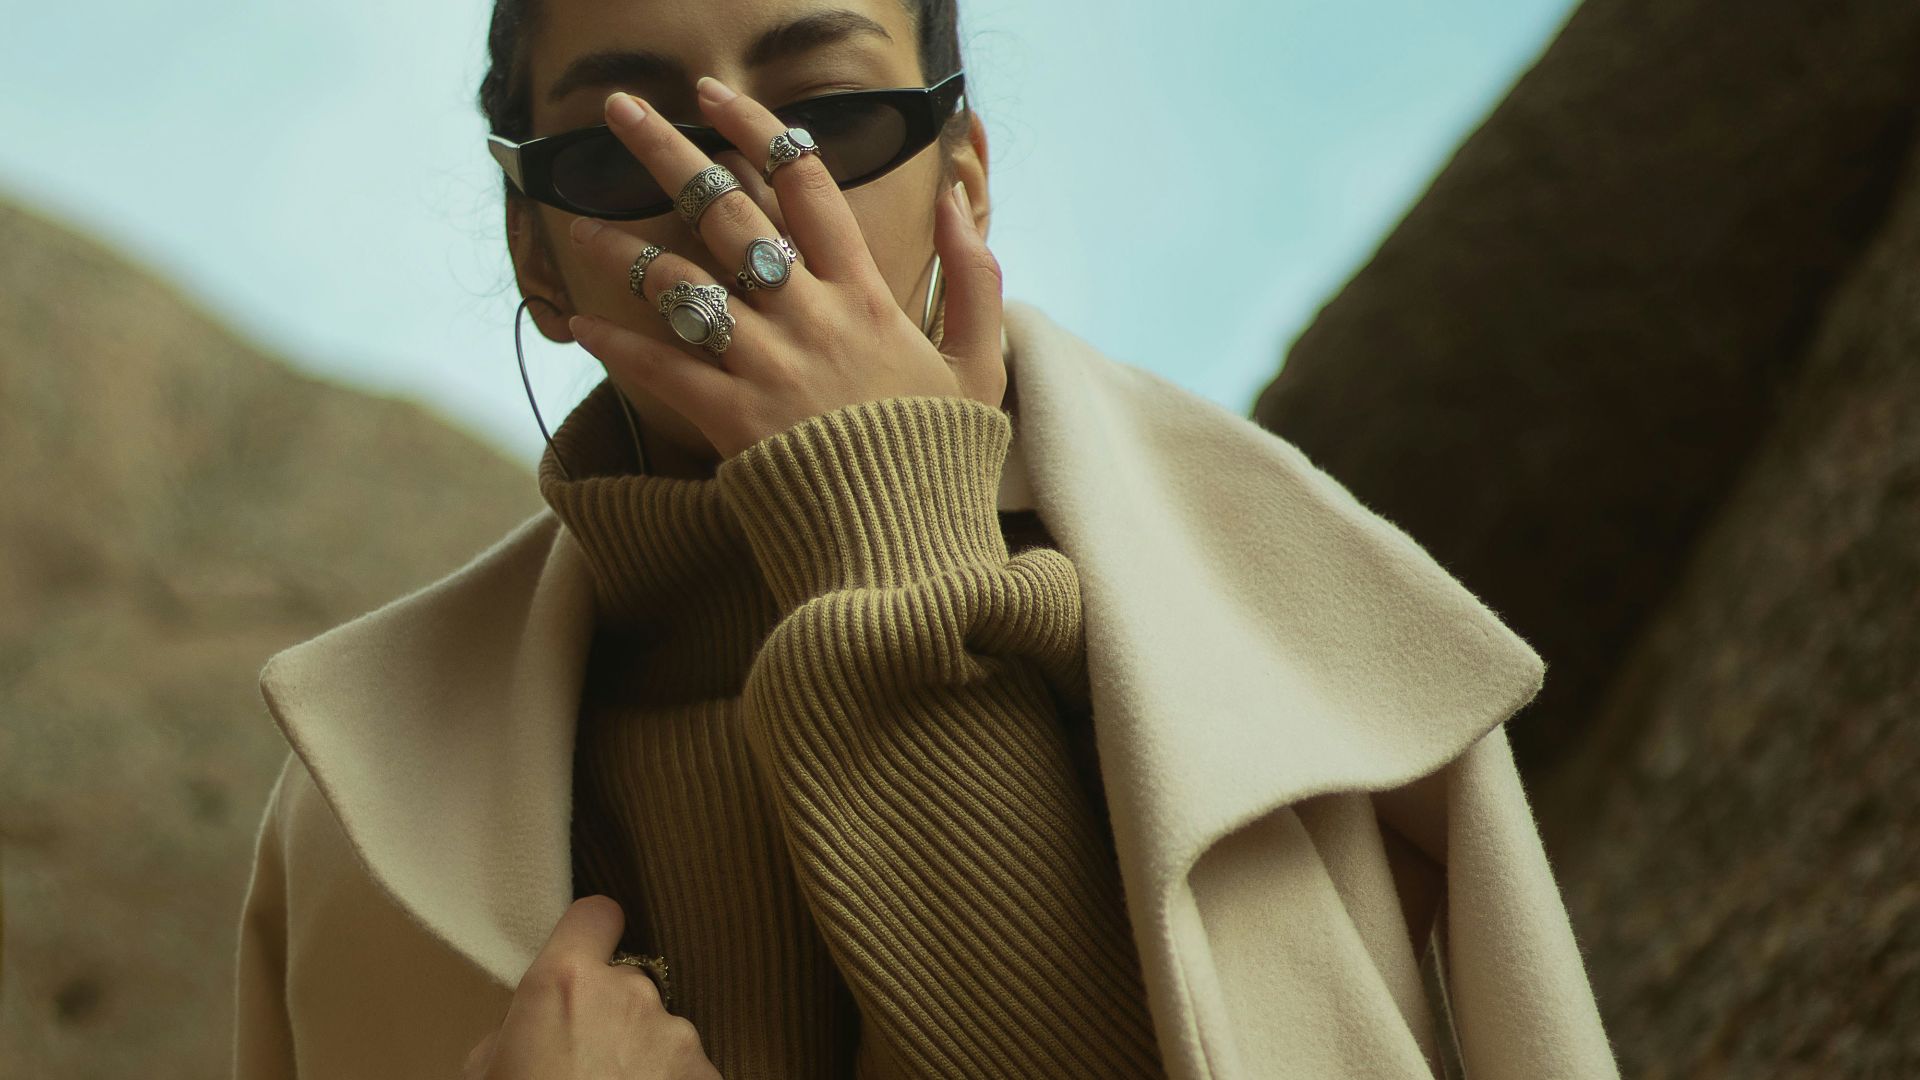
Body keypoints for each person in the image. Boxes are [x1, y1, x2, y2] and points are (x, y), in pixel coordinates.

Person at [232, 0, 1624, 1078]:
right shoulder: (356, 815)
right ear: (537, 249)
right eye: (617, 142)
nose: (741, 194)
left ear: (965, 179)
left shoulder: (1308, 632)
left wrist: (884, 518)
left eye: (827, 117)